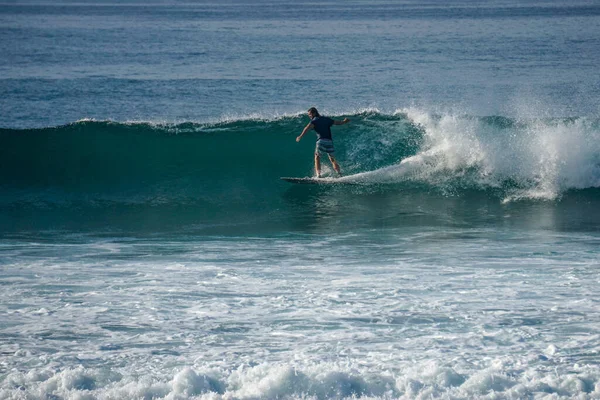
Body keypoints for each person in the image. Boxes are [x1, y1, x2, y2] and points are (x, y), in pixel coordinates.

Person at [296, 107, 350, 178]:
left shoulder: (314, 121)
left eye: (310, 114)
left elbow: (307, 128)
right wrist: (344, 121)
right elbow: (338, 123)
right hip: (329, 142)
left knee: (317, 157)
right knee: (332, 159)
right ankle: (339, 174)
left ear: (314, 113)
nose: (309, 116)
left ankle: (318, 175)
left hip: (321, 141)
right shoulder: (326, 119)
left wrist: (300, 136)